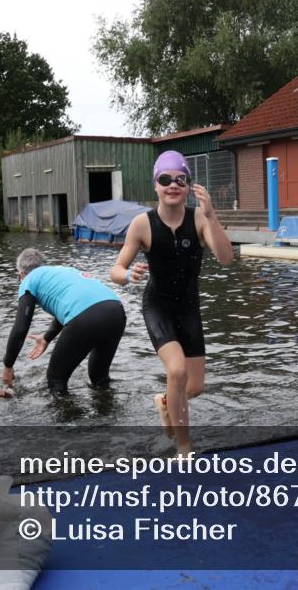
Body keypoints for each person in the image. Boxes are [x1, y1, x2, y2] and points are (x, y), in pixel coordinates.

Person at [111, 150, 233, 456]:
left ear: (189, 185)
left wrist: (212, 215)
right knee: (176, 372)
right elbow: (116, 271)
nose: (173, 185)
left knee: (194, 388)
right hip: (158, 307)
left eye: (181, 179)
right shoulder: (142, 224)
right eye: (166, 179)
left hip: (188, 308)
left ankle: (164, 401)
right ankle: (184, 447)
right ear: (156, 184)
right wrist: (129, 275)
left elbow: (226, 259)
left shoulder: (198, 218)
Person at [2, 248, 126, 395]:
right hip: (116, 311)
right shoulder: (62, 270)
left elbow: (20, 329)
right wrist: (46, 337)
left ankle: (67, 418)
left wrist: (8, 366)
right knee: (99, 378)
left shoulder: (28, 280)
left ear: (22, 273)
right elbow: (69, 308)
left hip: (86, 317)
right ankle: (109, 414)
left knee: (56, 380)